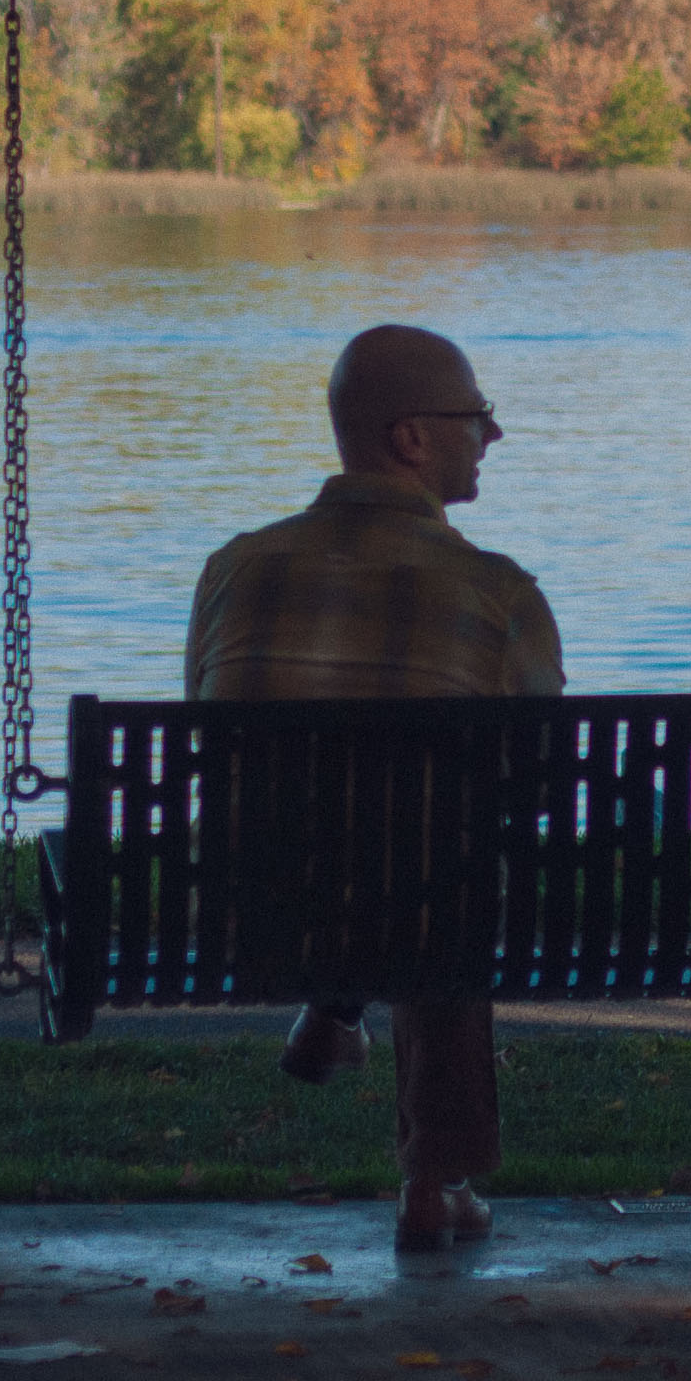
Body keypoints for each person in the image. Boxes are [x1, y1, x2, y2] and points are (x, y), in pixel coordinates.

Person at [187, 323, 562, 1254]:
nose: (496, 435)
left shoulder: (237, 568)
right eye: (478, 415)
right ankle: (434, 1180)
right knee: (447, 861)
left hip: (253, 907)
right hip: (435, 910)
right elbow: (540, 776)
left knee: (399, 844)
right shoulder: (498, 591)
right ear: (412, 438)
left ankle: (334, 1004)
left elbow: (209, 735)